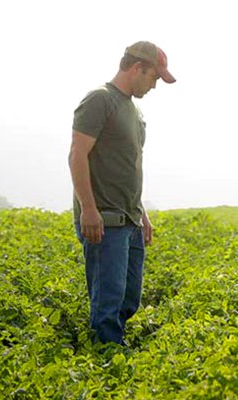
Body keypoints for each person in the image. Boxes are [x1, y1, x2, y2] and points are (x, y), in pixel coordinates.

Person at [67, 41, 175, 346]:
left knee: (129, 299)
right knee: (108, 304)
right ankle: (106, 364)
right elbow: (77, 155)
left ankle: (116, 351)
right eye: (154, 78)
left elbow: (127, 167)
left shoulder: (134, 111)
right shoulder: (100, 100)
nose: (154, 86)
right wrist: (89, 209)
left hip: (130, 220)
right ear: (137, 68)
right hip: (105, 220)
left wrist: (143, 215)